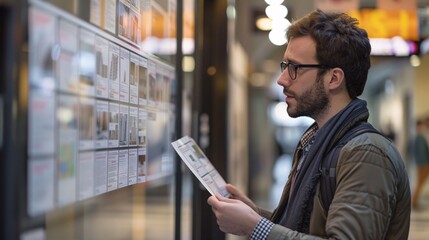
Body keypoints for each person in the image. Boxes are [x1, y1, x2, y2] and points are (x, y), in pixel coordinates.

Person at [207, 9, 411, 239]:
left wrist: (255, 228)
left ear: (333, 78)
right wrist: (255, 216)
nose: (282, 79)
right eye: (285, 66)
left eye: (294, 68)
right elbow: (308, 227)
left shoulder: (366, 153)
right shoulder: (318, 142)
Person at [412, 119, 429, 209]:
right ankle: (414, 201)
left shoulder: (420, 136)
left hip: (422, 163)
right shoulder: (420, 136)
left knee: (419, 182)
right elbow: (422, 152)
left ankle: (415, 201)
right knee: (420, 182)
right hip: (424, 163)